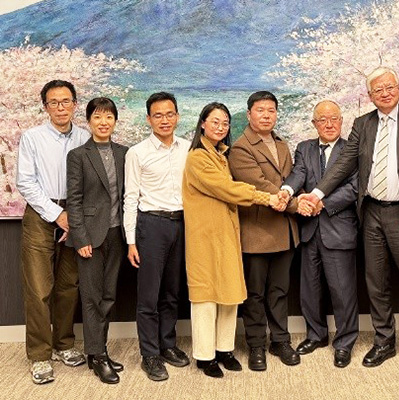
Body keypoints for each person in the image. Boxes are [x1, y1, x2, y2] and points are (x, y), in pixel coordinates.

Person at [300, 66, 399, 377]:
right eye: (378, 90)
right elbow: (345, 163)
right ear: (370, 95)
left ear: (398, 88)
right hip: (371, 212)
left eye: (389, 87)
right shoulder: (363, 123)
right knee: (376, 283)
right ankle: (384, 341)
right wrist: (317, 194)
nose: (385, 93)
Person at [183, 102, 287, 378]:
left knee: (229, 293)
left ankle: (224, 349)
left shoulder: (222, 155)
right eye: (214, 122)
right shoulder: (197, 157)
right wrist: (267, 198)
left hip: (228, 234)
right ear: (202, 124)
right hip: (205, 237)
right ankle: (205, 356)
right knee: (206, 296)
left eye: (225, 123)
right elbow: (226, 188)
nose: (220, 127)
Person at [16, 80, 88, 384]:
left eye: (66, 101)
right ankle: (40, 355)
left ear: (75, 104)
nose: (61, 107)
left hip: (75, 213)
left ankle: (64, 344)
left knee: (69, 285)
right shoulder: (32, 137)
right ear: (45, 107)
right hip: (41, 214)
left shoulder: (85, 137)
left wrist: (73, 216)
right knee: (38, 288)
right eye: (54, 102)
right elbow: (25, 181)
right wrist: (57, 214)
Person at [281, 100, 359, 368]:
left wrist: (322, 203)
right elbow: (298, 174)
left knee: (343, 291)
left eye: (334, 118)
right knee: (309, 289)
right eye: (322, 119)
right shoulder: (304, 148)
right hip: (309, 230)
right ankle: (316, 335)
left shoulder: (352, 149)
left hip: (339, 228)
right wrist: (287, 191)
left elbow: (354, 187)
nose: (329, 124)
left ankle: (345, 342)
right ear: (314, 124)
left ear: (342, 121)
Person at [228, 91, 301, 371]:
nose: (266, 115)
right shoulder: (240, 148)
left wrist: (292, 198)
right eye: (260, 110)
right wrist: (296, 205)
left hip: (284, 231)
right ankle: (256, 344)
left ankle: (280, 340)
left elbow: (289, 181)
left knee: (280, 291)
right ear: (249, 114)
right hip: (257, 232)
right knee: (255, 293)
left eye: (271, 110)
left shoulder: (282, 144)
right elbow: (259, 186)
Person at [123, 92, 191, 381]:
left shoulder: (188, 148)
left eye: (169, 114)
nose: (165, 120)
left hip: (181, 224)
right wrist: (130, 241)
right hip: (151, 225)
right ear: (149, 119)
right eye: (158, 115)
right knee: (149, 296)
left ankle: (167, 345)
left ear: (177, 116)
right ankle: (149, 354)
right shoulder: (137, 153)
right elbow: (130, 198)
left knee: (172, 292)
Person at [66, 97, 128, 384]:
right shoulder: (78, 155)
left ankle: (97, 351)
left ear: (115, 120)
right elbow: (74, 200)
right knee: (92, 298)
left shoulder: (124, 153)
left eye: (109, 117)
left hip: (117, 233)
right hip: (90, 236)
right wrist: (80, 238)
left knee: (109, 296)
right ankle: (98, 355)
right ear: (88, 121)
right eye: (98, 117)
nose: (104, 122)